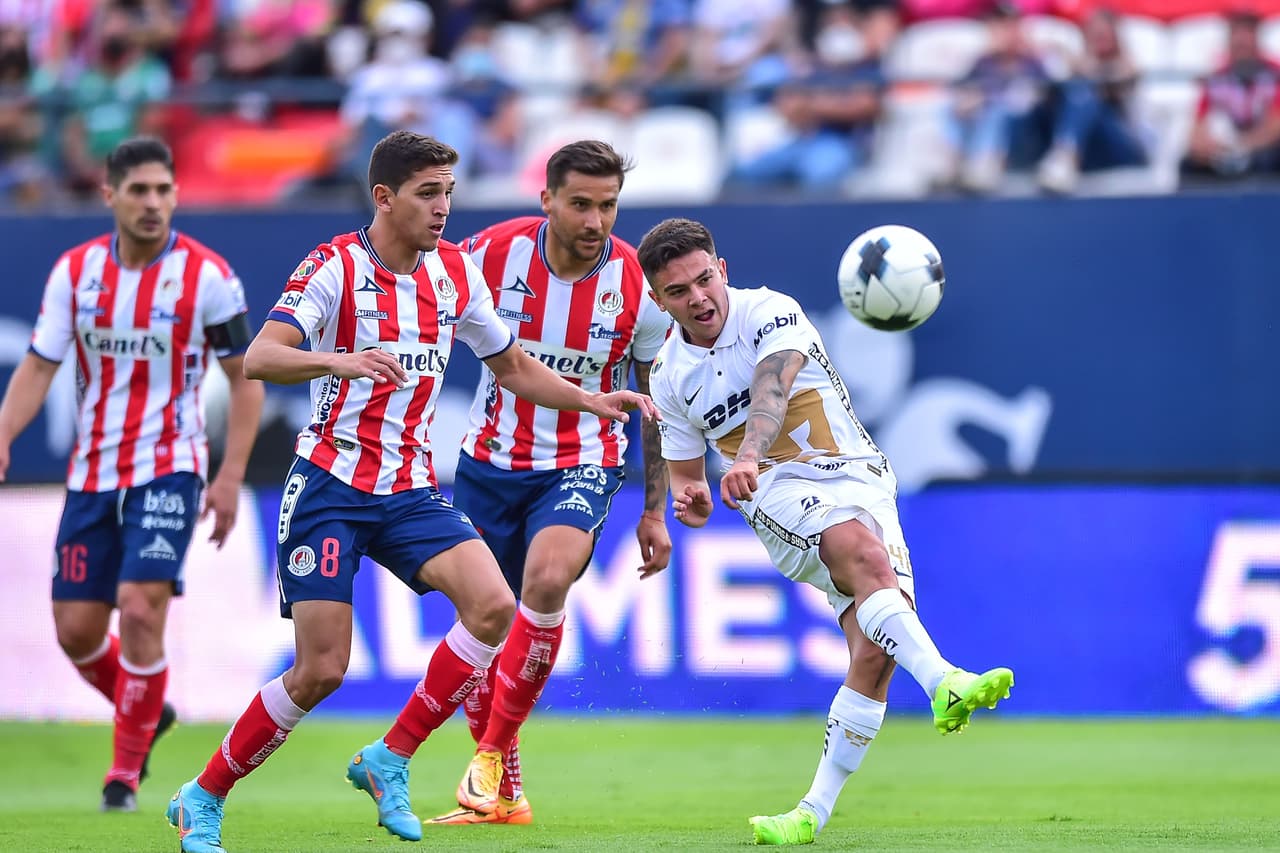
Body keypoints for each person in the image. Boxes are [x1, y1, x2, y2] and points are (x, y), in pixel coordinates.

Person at [163, 130, 658, 853]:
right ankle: (202, 797)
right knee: (320, 669)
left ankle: (390, 757)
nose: (443, 207)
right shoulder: (333, 266)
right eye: (429, 193)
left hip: (409, 491)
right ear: (385, 198)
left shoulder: (454, 272)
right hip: (330, 485)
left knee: (493, 605)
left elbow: (514, 366)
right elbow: (262, 358)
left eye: (450, 192)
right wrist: (339, 358)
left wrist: (592, 402)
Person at [635, 217, 1013, 846]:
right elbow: (685, 476)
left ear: (721, 270)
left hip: (861, 477)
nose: (698, 298)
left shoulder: (770, 311)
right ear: (657, 299)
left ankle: (811, 811)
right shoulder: (670, 374)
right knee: (859, 553)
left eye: (704, 280)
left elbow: (772, 388)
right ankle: (946, 680)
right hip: (777, 491)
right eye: (678, 292)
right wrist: (690, 496)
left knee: (873, 651)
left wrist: (747, 451)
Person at [0, 136, 264, 813]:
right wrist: (3, 434)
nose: (153, 203)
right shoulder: (75, 272)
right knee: (76, 630)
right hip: (92, 472)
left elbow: (246, 379)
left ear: (176, 194)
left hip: (170, 468)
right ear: (109, 194)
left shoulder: (208, 276)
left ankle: (122, 775)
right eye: (139, 190)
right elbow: (37, 366)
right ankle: (145, 707)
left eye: (163, 190)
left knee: (143, 608)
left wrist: (230, 474)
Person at [429, 139, 673, 826]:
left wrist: (654, 511)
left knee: (546, 578)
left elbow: (651, 404)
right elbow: (421, 318)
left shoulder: (637, 285)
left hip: (583, 459)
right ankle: (504, 792)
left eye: (609, 205)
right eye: (581, 204)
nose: (596, 220)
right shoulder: (488, 254)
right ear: (547, 200)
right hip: (487, 461)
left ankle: (491, 752)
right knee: (483, 619)